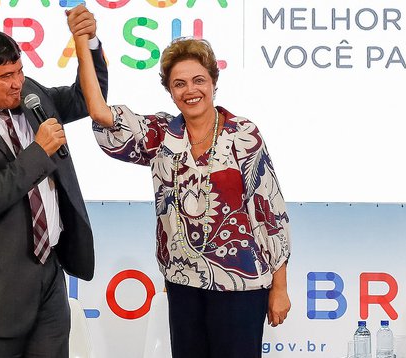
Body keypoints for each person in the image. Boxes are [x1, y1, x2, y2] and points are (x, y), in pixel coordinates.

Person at [70, 19, 291, 358]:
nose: (191, 90)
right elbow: (100, 113)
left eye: (199, 80)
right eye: (180, 84)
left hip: (242, 285)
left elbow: (269, 212)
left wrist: (280, 287)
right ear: (170, 91)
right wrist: (85, 43)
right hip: (183, 281)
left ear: (214, 83)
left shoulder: (244, 134)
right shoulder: (161, 134)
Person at [0, 6, 107, 357]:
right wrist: (38, 151)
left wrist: (88, 43)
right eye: (6, 76)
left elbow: (86, 98)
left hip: (49, 275)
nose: (17, 82)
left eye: (20, 71)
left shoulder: (30, 96)